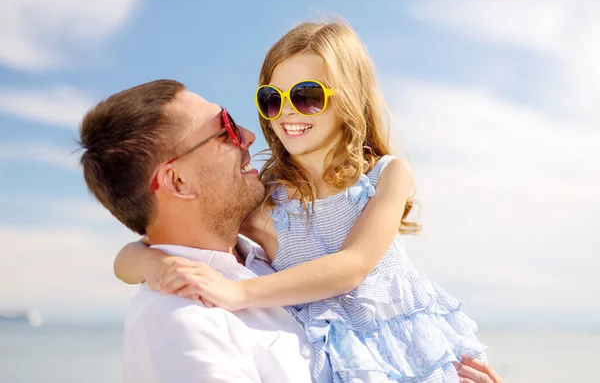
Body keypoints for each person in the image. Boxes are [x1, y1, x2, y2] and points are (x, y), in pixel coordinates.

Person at [114, 22, 497, 383]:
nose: (288, 112)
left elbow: (353, 266)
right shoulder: (264, 200)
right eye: (272, 99)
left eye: (307, 96)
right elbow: (137, 252)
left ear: (348, 98)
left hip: (415, 353)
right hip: (335, 362)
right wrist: (152, 262)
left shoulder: (385, 176)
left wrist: (239, 293)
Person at [78, 80, 314, 382]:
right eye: (225, 128)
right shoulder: (181, 321)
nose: (249, 137)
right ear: (178, 182)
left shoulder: (265, 250)